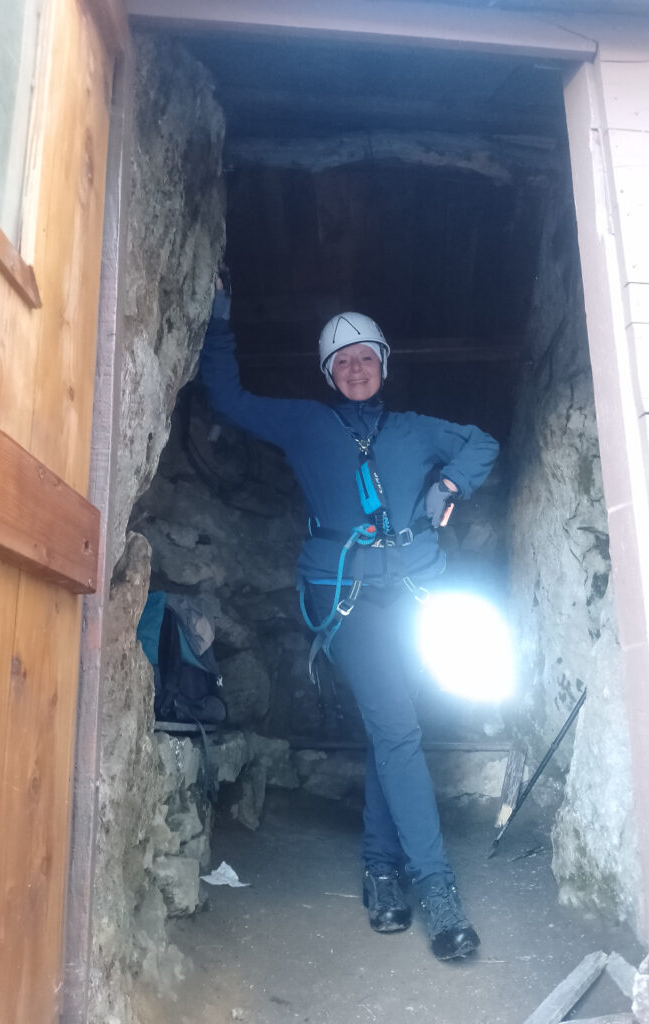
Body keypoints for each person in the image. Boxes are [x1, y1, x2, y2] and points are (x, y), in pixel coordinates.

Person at [198, 275, 499, 961]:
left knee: (393, 731)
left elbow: (481, 442)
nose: (356, 368)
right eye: (342, 361)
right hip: (347, 598)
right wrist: (218, 320)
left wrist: (449, 483)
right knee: (398, 729)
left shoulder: (415, 429)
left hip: (418, 595)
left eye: (366, 357)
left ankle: (380, 870)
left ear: (384, 365)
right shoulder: (306, 424)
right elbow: (229, 398)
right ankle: (437, 890)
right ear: (328, 374)